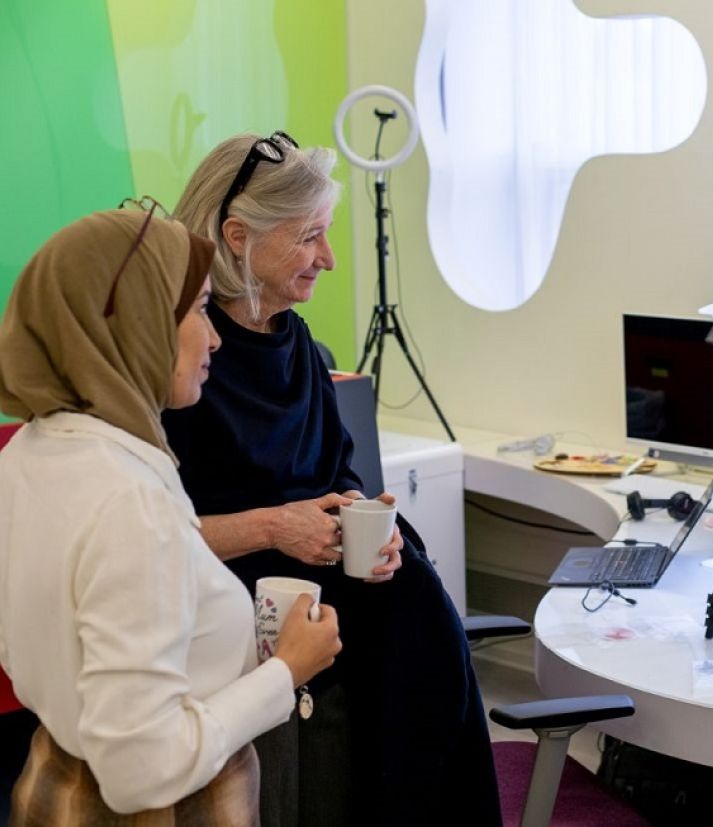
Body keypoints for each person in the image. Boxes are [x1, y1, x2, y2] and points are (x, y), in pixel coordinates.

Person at [162, 132, 501, 825]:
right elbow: (155, 537)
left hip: (326, 579)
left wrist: (363, 516)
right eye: (309, 237)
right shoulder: (182, 365)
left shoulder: (300, 345)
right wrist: (276, 527)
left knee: (420, 610)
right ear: (238, 237)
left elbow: (335, 471)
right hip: (235, 595)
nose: (329, 258)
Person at [0, 204, 342, 823]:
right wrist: (286, 670)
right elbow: (142, 770)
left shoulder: (26, 455)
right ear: (134, 321)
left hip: (54, 780)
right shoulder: (130, 502)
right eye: (198, 309)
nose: (214, 337)